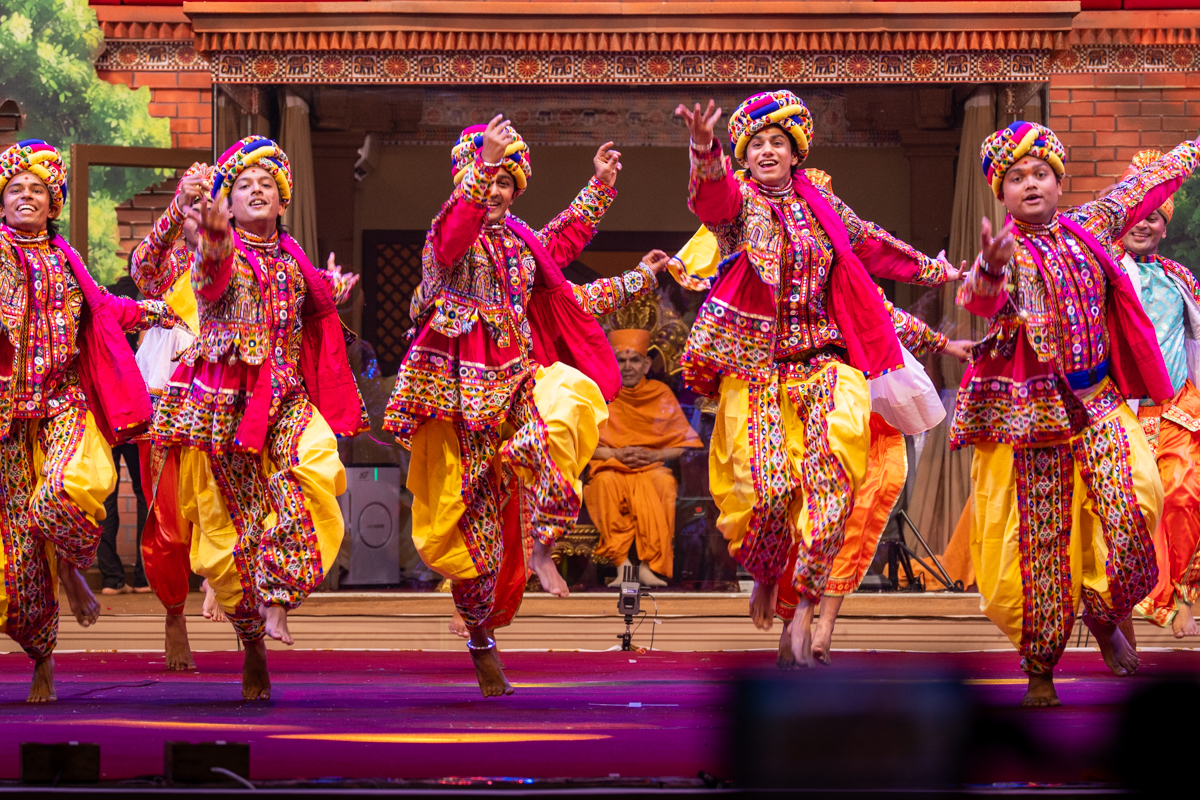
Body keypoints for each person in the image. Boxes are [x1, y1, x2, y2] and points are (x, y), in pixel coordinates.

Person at [674, 91, 959, 667]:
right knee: (770, 494)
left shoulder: (824, 207)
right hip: (758, 373)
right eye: (756, 144)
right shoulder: (739, 209)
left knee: (833, 494)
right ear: (745, 156)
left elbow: (875, 248)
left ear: (796, 151)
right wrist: (705, 149)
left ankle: (803, 609)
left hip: (827, 367)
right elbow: (711, 197)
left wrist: (938, 269)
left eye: (778, 142)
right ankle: (767, 574)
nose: (767, 151)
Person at [384, 116, 667, 696]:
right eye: (484, 178)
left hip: (514, 388)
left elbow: (567, 272)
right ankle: (481, 639)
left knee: (567, 402)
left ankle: (543, 546)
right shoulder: (445, 239)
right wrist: (482, 163)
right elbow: (453, 234)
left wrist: (604, 194)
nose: (493, 191)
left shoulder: (521, 248)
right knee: (475, 538)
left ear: (516, 192)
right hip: (455, 402)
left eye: (505, 182)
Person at [954, 121, 1198, 706]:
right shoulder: (1006, 251)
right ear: (1001, 192)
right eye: (1016, 178)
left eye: (1040, 173)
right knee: (1040, 549)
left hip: (1100, 404)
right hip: (1036, 422)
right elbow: (978, 301)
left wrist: (1192, 148)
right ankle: (1040, 669)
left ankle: (1104, 611)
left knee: (1140, 509)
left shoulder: (1091, 227)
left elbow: (1148, 183)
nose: (1030, 184)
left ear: (1059, 182)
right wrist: (988, 268)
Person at [149, 136, 366, 700]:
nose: (255, 191)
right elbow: (200, 277)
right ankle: (253, 646)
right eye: (243, 185)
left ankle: (279, 601)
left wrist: (332, 292)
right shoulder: (214, 252)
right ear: (228, 201)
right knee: (238, 539)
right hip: (226, 409)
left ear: (282, 198)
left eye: (266, 184)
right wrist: (206, 231)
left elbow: (313, 307)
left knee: (314, 472)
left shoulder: (295, 262)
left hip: (286, 401)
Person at [0, 139, 173, 701]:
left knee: (68, 491)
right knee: (23, 551)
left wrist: (155, 309)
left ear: (54, 204)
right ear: (2, 204)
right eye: (15, 190)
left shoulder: (67, 260)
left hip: (63, 404)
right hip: (9, 420)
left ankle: (73, 568)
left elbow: (105, 307)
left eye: (39, 191)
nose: (27, 197)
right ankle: (43, 657)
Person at [1112, 151, 1200, 639]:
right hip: (1118, 410)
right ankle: (1132, 605)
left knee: (1185, 494)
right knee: (1133, 507)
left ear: (1165, 227)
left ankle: (1178, 598)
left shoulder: (1179, 279)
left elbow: (1195, 341)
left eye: (1155, 216)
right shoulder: (1101, 275)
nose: (1143, 224)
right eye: (1136, 214)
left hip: (1176, 408)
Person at [128, 162, 208, 669]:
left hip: (230, 393)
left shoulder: (250, 257)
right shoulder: (168, 258)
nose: (203, 212)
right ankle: (174, 613)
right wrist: (178, 206)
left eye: (210, 201)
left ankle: (228, 590)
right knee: (169, 521)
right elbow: (140, 270)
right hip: (165, 394)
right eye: (192, 203)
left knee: (237, 505)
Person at [583, 328, 703, 587]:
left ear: (646, 364)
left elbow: (685, 442)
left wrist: (654, 455)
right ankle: (623, 566)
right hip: (611, 467)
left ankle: (648, 567)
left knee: (665, 483)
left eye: (634, 359)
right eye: (621, 360)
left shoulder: (660, 393)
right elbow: (584, 444)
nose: (628, 366)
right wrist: (615, 453)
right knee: (602, 485)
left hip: (651, 469)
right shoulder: (601, 394)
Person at [95, 264, 152, 596]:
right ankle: (145, 577)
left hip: (106, 408)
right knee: (145, 491)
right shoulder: (149, 303)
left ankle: (110, 579)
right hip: (138, 410)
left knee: (108, 494)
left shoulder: (105, 298)